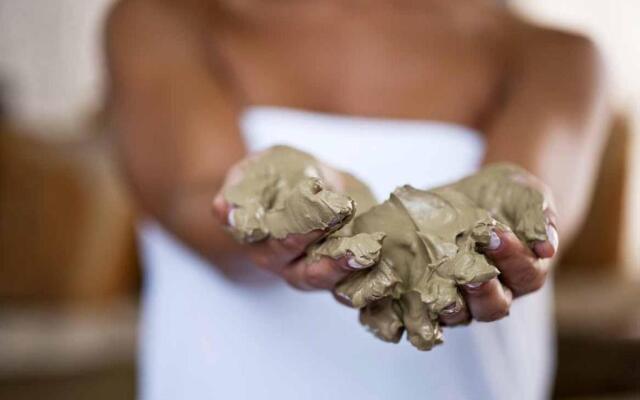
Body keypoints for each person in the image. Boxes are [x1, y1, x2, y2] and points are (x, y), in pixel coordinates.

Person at [105, 0, 608, 398]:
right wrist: (288, 207)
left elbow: (531, 216)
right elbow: (192, 201)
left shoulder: (554, 55)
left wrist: (510, 227)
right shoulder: (167, 18)